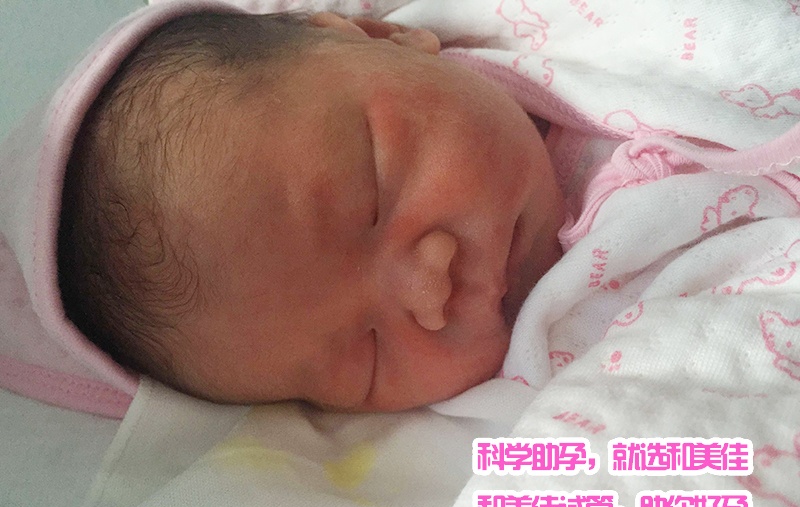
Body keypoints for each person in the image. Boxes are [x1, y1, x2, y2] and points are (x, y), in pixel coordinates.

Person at [1, 0, 798, 421]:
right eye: (365, 357)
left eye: (377, 192)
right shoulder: (582, 380)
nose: (427, 292)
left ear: (378, 35)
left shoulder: (573, 23)